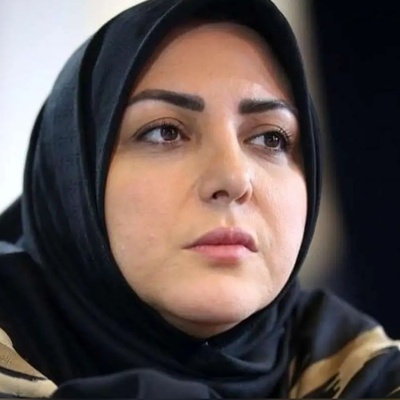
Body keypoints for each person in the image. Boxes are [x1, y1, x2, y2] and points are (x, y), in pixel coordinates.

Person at [0, 0, 399, 398]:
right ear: (71, 179)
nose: (232, 178)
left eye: (270, 138)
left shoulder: (362, 372)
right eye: (165, 132)